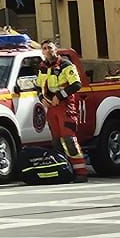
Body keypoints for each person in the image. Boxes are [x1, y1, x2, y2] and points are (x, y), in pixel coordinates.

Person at [33, 45, 90, 177]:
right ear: (42, 51)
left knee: (69, 139)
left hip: (65, 105)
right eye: (45, 48)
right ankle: (63, 169)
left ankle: (80, 171)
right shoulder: (43, 67)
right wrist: (42, 98)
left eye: (50, 47)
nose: (48, 50)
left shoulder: (65, 64)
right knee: (56, 141)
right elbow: (38, 86)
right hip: (51, 107)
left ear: (55, 49)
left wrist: (59, 96)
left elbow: (76, 84)